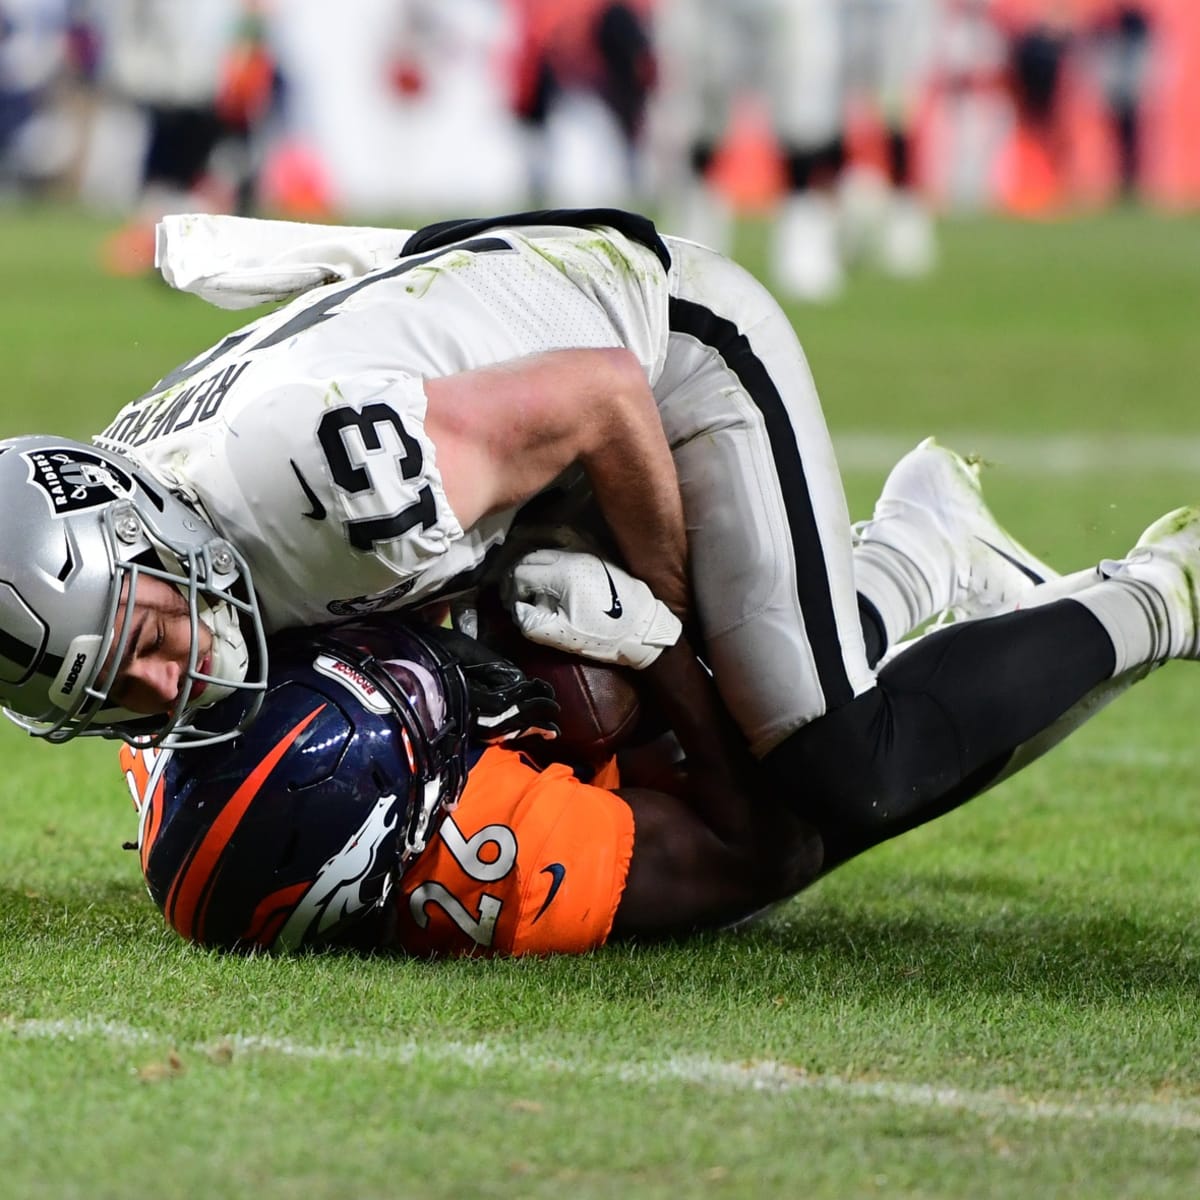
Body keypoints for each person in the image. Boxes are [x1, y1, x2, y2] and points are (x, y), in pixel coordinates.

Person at [0, 207, 1191, 870]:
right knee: (644, 718)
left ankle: (1163, 590)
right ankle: (925, 546)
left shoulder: (315, 486)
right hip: (504, 433)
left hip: (659, 353)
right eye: (116, 695)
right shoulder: (168, 519)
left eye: (150, 634)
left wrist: (655, 624)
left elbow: (604, 395)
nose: (171, 680)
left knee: (836, 770)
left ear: (144, 528)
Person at [119, 453, 1200, 956]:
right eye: (411, 706)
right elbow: (757, 849)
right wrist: (658, 647)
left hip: (580, 430)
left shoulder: (203, 704)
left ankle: (912, 559)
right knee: (823, 780)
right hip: (626, 787)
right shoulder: (479, 866)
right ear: (400, 835)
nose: (422, 673)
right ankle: (1150, 595)